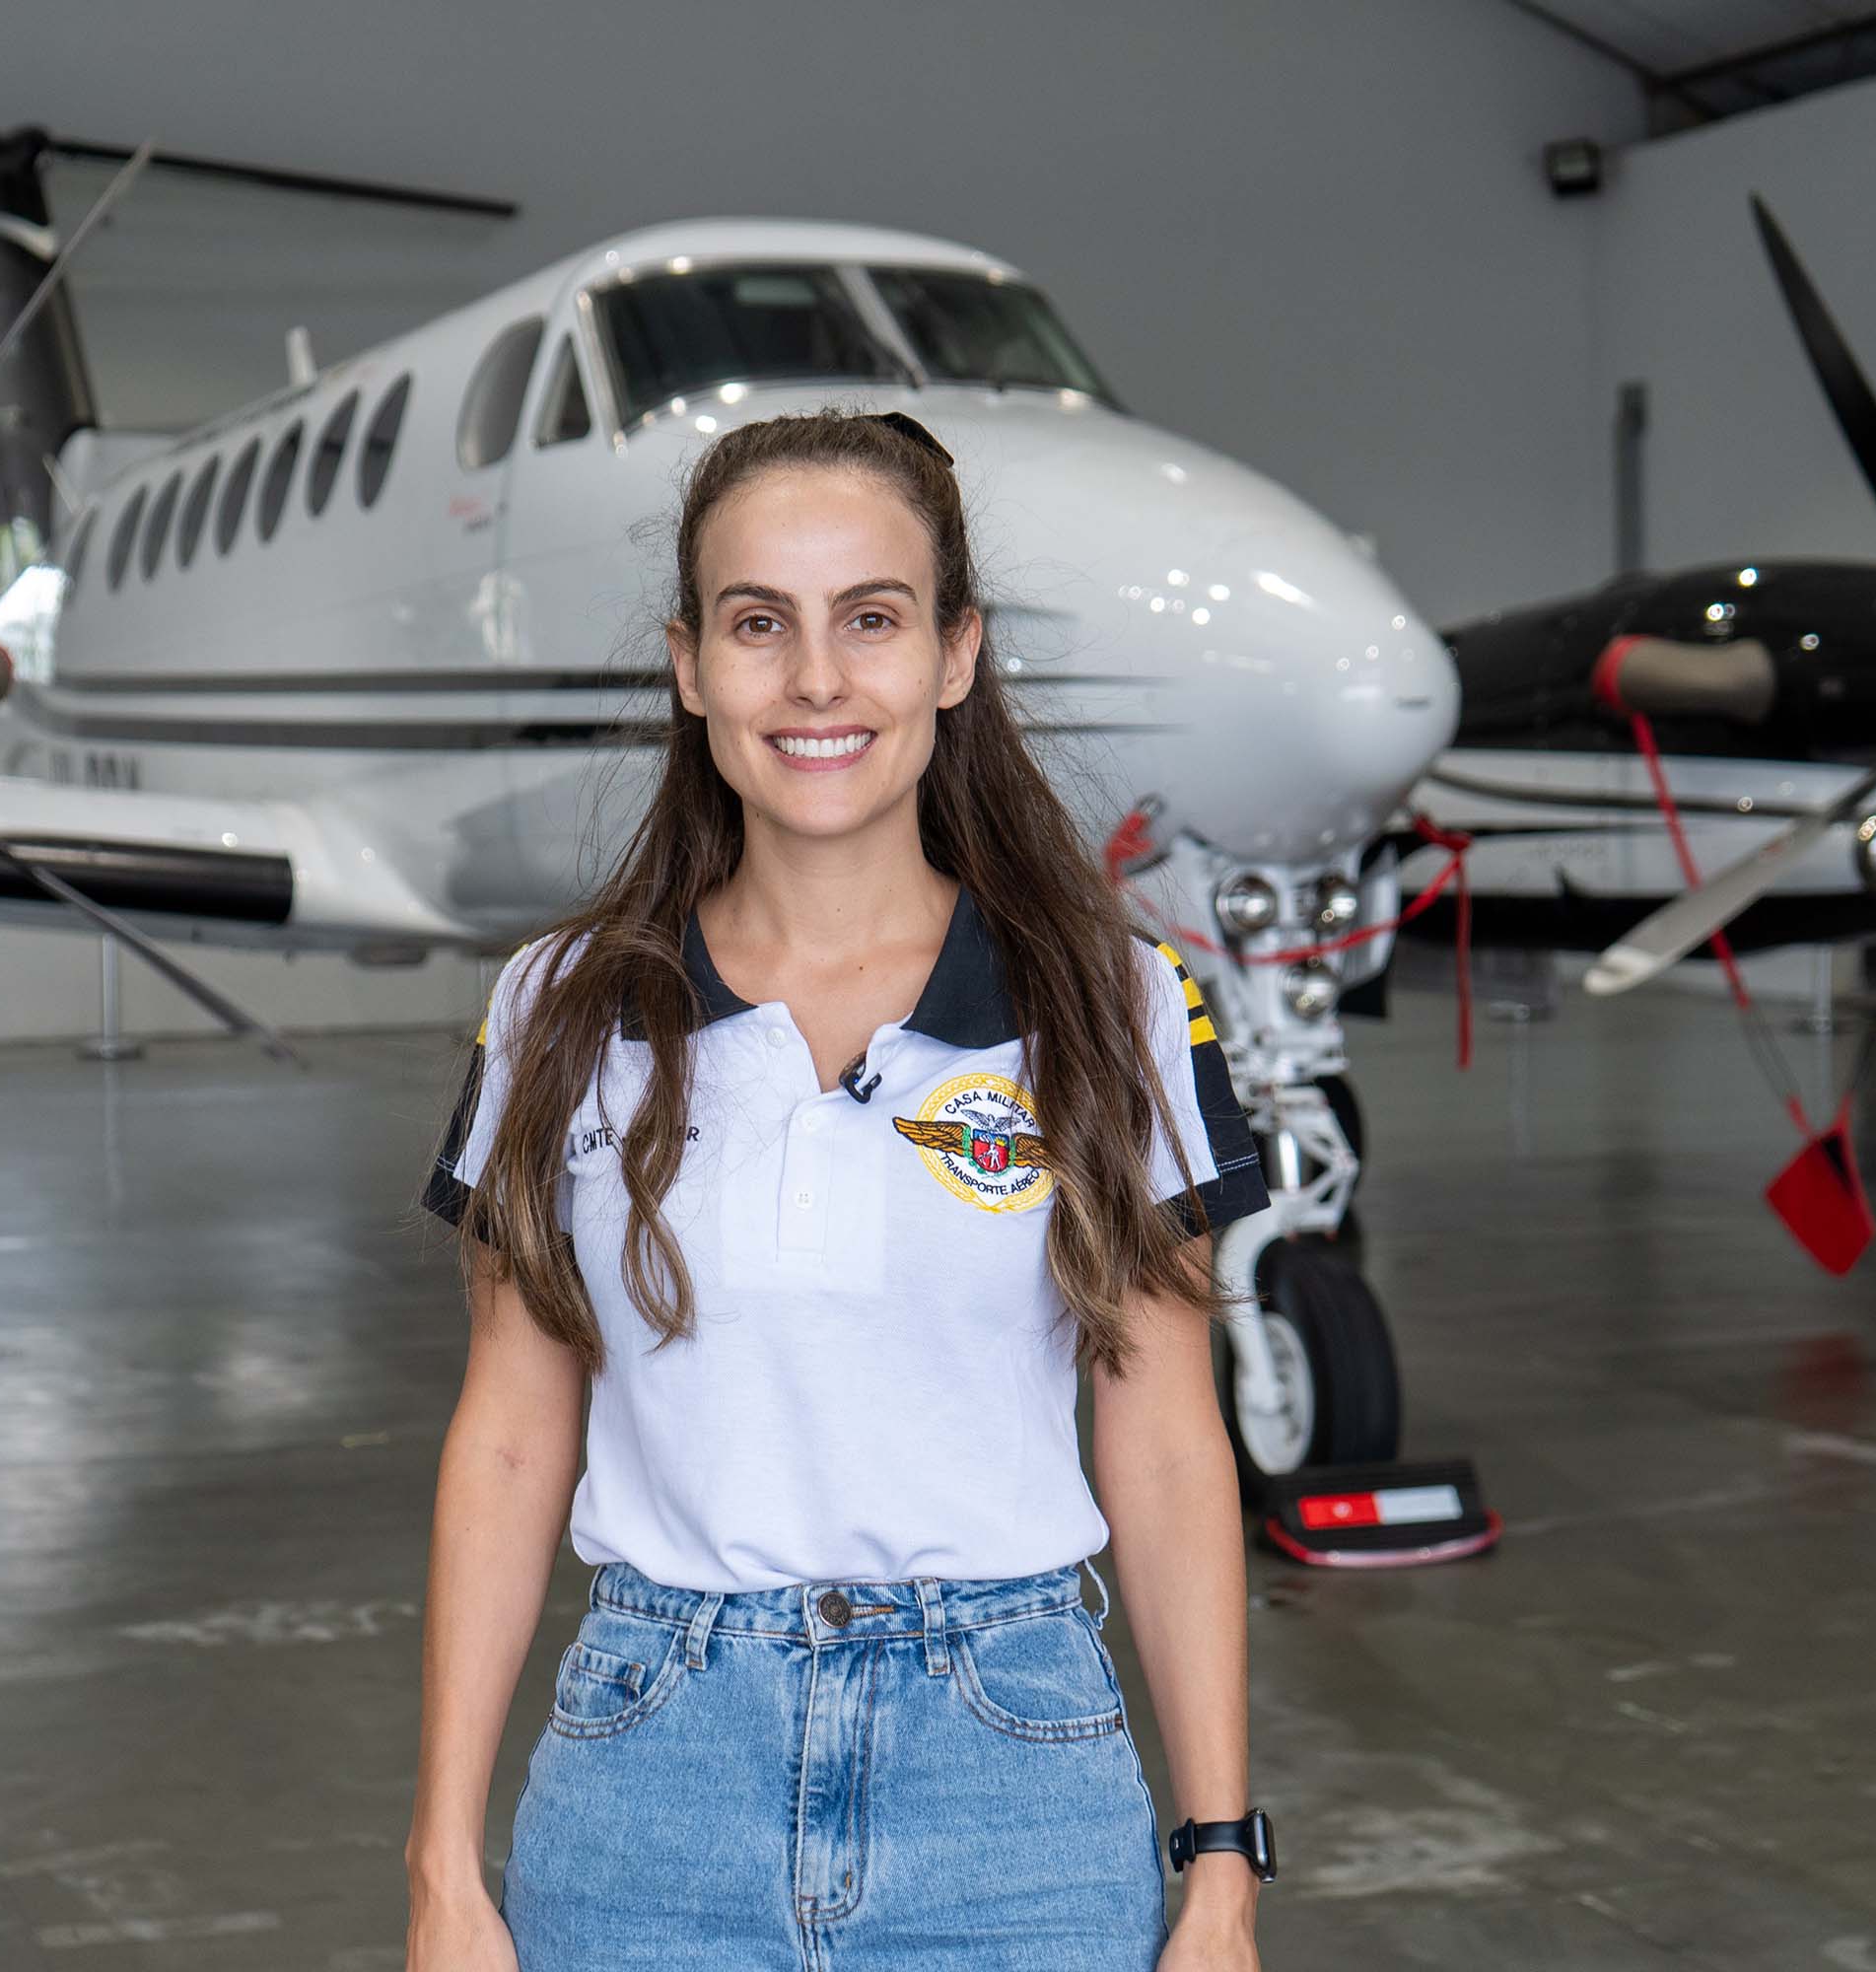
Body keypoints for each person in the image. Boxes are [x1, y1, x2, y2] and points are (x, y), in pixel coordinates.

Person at [404, 407, 1275, 1971]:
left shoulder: (1113, 1002)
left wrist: (1219, 1864)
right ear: (690, 667)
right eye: (760, 626)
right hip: (644, 1780)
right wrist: (440, 1869)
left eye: (871, 620)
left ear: (956, 654)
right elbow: (513, 1431)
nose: (816, 681)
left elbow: (1160, 1438)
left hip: (1016, 1780)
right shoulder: (559, 1007)